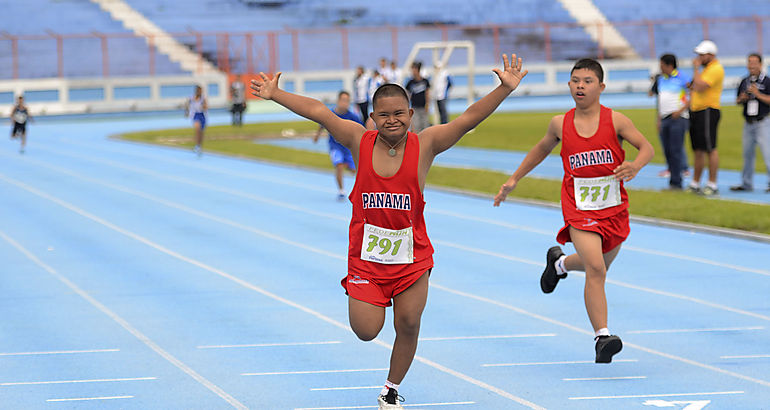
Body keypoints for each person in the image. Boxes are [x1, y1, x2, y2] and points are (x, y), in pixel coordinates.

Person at [251, 53, 528, 409]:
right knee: (366, 330)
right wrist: (276, 94)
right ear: (373, 118)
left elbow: (468, 118)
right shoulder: (358, 140)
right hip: (367, 262)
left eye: (399, 113)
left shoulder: (425, 144)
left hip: (412, 258)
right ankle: (376, 329)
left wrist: (503, 90)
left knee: (409, 323)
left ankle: (390, 390)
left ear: (411, 115)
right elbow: (320, 111)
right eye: (384, 114)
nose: (392, 120)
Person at [494, 58, 654, 364]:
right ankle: (602, 337)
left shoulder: (617, 121)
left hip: (614, 209)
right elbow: (541, 149)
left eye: (587, 81)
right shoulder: (560, 124)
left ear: (601, 87)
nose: (580, 86)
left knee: (599, 263)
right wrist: (513, 179)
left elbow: (647, 148)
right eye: (575, 80)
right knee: (596, 269)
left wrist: (635, 164)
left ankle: (559, 264)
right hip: (579, 209)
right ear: (569, 85)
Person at [688, 40, 724, 195]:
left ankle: (712, 183)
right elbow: (693, 85)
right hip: (697, 110)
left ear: (711, 55)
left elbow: (701, 86)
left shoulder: (715, 69)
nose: (699, 58)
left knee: (710, 148)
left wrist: (695, 69)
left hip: (708, 110)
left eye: (702, 55)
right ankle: (695, 183)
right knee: (698, 149)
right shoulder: (706, 70)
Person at [650, 54, 691, 189]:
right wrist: (658, 119)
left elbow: (692, 96)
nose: (660, 68)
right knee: (667, 150)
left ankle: (677, 182)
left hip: (678, 118)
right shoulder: (661, 79)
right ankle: (673, 181)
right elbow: (660, 101)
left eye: (661, 65)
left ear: (669, 65)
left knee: (675, 150)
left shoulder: (683, 77)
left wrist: (680, 111)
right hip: (664, 118)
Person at [313, 91, 363, 200]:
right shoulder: (330, 114)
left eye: (347, 101)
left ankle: (361, 190)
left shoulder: (353, 116)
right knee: (339, 164)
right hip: (335, 146)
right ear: (338, 101)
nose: (345, 103)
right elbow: (322, 124)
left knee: (355, 170)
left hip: (349, 148)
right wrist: (317, 135)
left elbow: (362, 130)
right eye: (343, 100)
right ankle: (341, 190)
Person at [732, 53, 770, 193]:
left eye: (754, 62)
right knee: (747, 155)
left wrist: (758, 94)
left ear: (760, 64)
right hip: (748, 122)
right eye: (749, 62)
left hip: (763, 122)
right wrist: (742, 98)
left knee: (767, 154)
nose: (751, 65)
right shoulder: (744, 81)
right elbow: (736, 101)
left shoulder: (767, 81)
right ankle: (746, 183)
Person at [405, 62, 431, 133]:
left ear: (418, 70)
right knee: (416, 126)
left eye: (414, 69)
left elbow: (427, 93)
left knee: (425, 125)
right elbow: (408, 94)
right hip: (414, 107)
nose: (412, 71)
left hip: (423, 107)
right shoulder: (410, 82)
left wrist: (427, 104)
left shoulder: (425, 81)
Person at [184, 85, 207, 156]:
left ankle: (199, 146)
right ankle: (197, 146)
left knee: (201, 132)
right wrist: (187, 112)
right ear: (196, 91)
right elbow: (187, 104)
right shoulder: (191, 98)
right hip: (195, 115)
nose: (200, 92)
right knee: (197, 129)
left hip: (202, 115)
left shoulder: (203, 99)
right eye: (199, 90)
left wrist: (203, 107)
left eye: (201, 91)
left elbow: (206, 107)